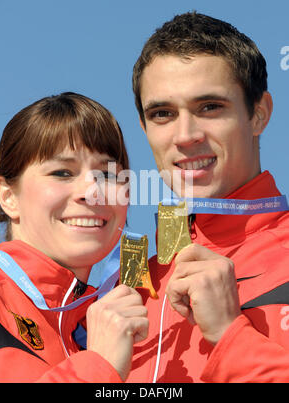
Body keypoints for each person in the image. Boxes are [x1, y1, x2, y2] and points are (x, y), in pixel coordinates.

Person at [126, 11, 289, 383]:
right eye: (163, 113)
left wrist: (230, 335)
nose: (185, 135)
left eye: (210, 107)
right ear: (145, 128)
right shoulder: (129, 285)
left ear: (259, 114)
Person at [0, 92, 148, 383]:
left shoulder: (116, 321)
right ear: (8, 196)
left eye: (108, 174)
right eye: (62, 172)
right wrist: (97, 367)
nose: (92, 191)